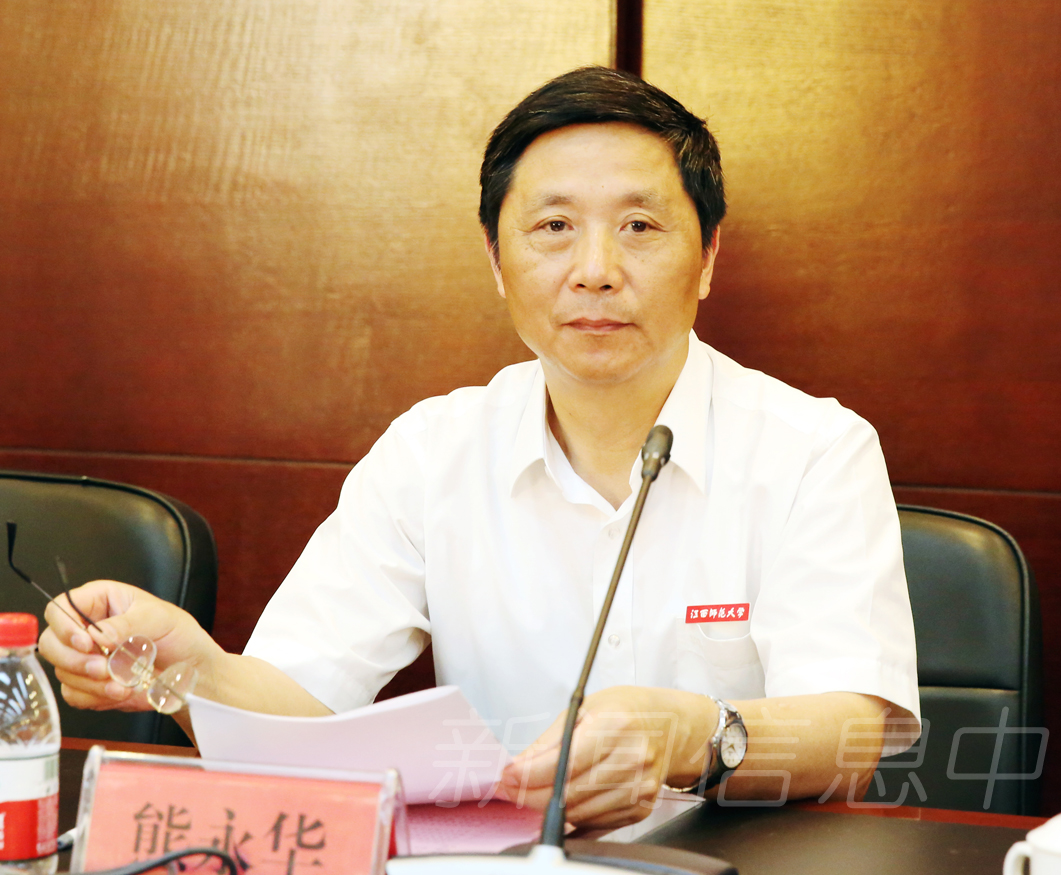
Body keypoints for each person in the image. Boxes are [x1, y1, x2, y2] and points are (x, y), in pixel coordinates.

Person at [39, 66, 920, 830]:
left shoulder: (815, 450)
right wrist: (194, 669)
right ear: (498, 260)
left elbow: (851, 735)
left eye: (641, 227)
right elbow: (300, 708)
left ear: (709, 255)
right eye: (553, 227)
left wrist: (690, 733)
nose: (596, 269)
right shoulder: (432, 453)